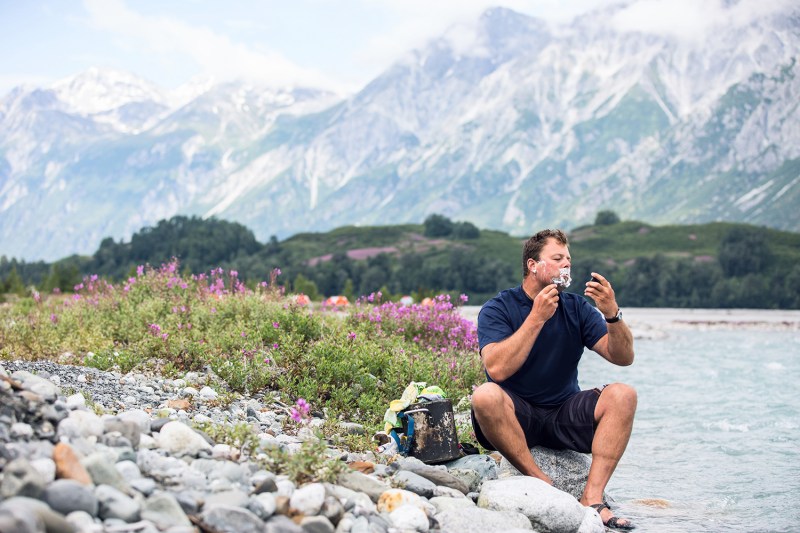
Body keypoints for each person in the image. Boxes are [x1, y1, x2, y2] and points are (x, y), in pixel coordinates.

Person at [471, 229, 637, 530]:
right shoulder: (499, 308)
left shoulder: (577, 307)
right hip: (516, 416)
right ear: (533, 265)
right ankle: (539, 480)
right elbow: (496, 369)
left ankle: (593, 498)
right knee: (484, 395)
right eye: (558, 259)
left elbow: (623, 357)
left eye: (569, 260)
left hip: (563, 414)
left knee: (624, 395)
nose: (567, 266)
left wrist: (612, 314)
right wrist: (536, 318)